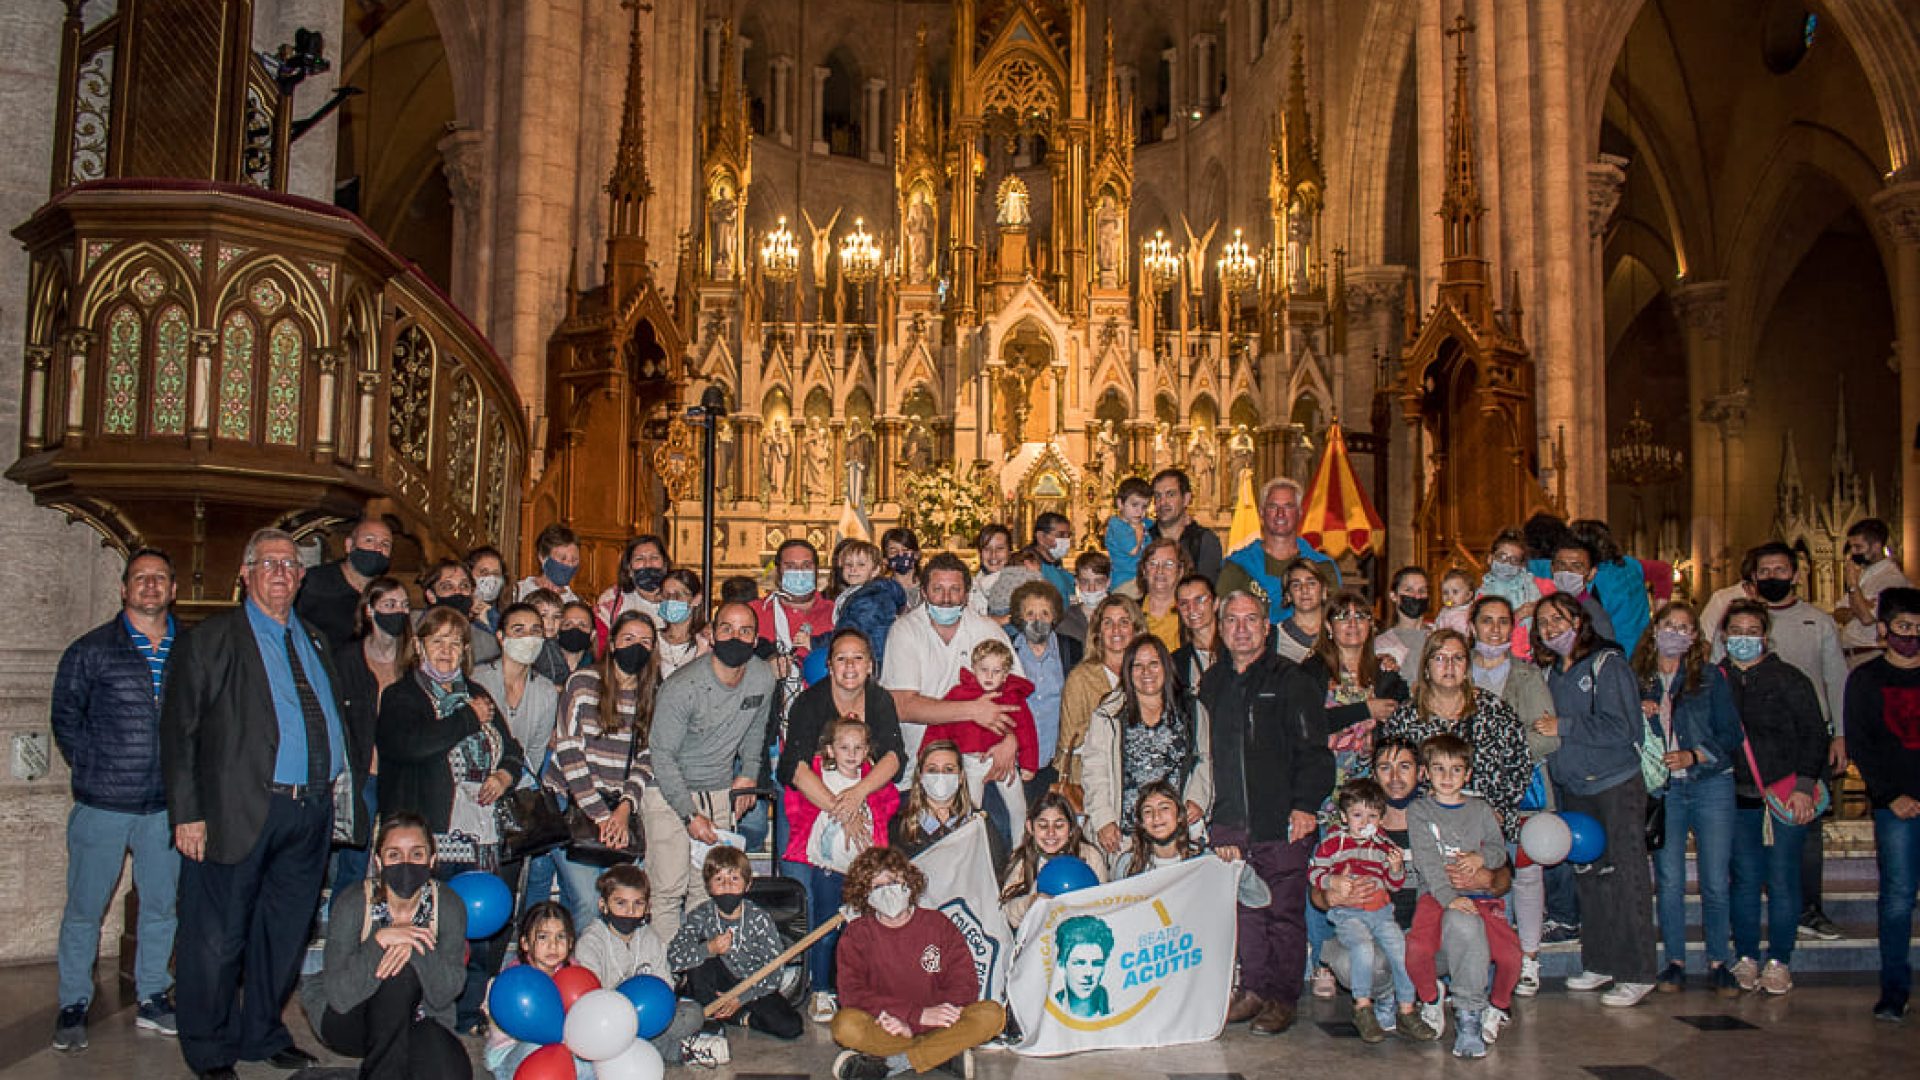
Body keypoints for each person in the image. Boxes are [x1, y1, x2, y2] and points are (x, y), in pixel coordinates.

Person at [163, 527, 359, 1078]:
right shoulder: (211, 639)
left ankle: (262, 1032)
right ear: (245, 574)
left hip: (309, 812)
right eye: (268, 563)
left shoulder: (315, 639)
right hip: (236, 810)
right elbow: (179, 733)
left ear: (301, 578)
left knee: (285, 932)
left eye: (290, 564)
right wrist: (187, 814)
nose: (280, 572)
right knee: (217, 938)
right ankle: (209, 1048)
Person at [51, 547, 182, 1050]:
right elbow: (66, 717)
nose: (150, 586)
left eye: (159, 578)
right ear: (124, 589)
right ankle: (72, 1003)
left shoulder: (190, 649)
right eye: (140, 578)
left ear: (173, 590)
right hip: (102, 803)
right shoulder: (91, 650)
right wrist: (93, 767)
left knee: (160, 908)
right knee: (85, 909)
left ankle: (152, 995)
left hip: (164, 808)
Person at [375, 605, 526, 1033]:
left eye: (455, 642)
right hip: (434, 833)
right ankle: (425, 1007)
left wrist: (503, 774)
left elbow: (512, 748)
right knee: (434, 924)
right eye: (437, 640)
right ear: (419, 645)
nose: (446, 650)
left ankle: (469, 1010)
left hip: (484, 831)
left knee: (483, 931)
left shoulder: (477, 692)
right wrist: (465, 719)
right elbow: (411, 745)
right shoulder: (402, 695)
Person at [1198, 590, 1333, 1035]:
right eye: (1232, 620)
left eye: (1250, 619)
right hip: (1230, 820)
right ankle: (1252, 989)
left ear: (1266, 625)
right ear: (1220, 628)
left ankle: (1281, 996)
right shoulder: (1212, 684)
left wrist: (1305, 805)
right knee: (1246, 911)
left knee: (1283, 912)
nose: (1241, 628)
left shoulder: (1292, 680)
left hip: (1281, 819)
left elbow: (1315, 751)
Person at [1703, 542, 1848, 939]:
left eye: (1780, 569)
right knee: (1745, 869)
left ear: (1795, 574)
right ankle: (1746, 944)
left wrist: (1841, 734)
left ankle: (1809, 911)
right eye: (1763, 570)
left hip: (1795, 761)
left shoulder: (1817, 624)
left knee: (1801, 849)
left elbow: (1835, 682)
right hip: (1739, 780)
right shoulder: (1719, 672)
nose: (1772, 577)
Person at [1534, 591, 1657, 1006]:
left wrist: (1563, 725)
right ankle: (1600, 961)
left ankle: (1637, 971)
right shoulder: (1552, 671)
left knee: (1626, 878)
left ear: (1578, 620)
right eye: (1543, 623)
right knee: (1589, 878)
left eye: (1558, 618)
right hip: (1575, 788)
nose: (1551, 627)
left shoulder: (1608, 663)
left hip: (1614, 784)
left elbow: (1624, 728)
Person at [303, 813, 471, 1080]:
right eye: (394, 855)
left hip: (420, 1014)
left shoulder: (449, 905)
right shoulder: (354, 902)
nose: (405, 864)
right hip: (348, 1015)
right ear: (379, 862)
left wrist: (415, 945)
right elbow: (339, 995)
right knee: (399, 977)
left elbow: (445, 994)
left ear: (431, 860)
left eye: (416, 855)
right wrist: (379, 942)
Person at [648, 601, 776, 940]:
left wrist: (748, 772)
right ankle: (668, 973)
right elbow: (661, 755)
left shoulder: (762, 676)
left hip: (718, 788)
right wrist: (689, 814)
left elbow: (756, 729)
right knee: (669, 888)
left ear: (755, 638)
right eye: (727, 629)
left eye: (745, 631)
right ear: (712, 634)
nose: (736, 637)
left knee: (708, 886)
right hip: (667, 788)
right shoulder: (683, 687)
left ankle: (698, 965)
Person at [1633, 601, 1742, 995]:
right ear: (1655, 629)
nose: (1675, 633)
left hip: (1709, 782)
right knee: (1669, 877)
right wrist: (1638, 712)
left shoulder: (1710, 678)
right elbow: (1622, 733)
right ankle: (1674, 961)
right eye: (1669, 625)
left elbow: (1732, 735)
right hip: (1665, 788)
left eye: (1684, 628)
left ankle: (1718, 961)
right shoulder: (1637, 678)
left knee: (1714, 878)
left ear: (1695, 636)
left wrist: (1696, 755)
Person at [1719, 599, 1828, 997]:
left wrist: (1804, 785)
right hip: (1734, 795)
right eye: (1736, 632)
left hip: (1783, 797)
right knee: (1744, 880)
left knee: (1783, 880)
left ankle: (1780, 959)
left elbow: (1815, 734)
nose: (1743, 639)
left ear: (1765, 636)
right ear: (1724, 636)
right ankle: (1746, 955)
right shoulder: (1715, 680)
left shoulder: (1789, 679)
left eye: (1752, 632)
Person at [829, 847, 1005, 1080]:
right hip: (887, 1026)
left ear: (908, 882)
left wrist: (919, 1024)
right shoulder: (856, 934)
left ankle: (893, 1064)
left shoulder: (937, 924)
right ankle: (942, 1056)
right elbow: (853, 994)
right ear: (865, 895)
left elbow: (965, 983)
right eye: (877, 887)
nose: (887, 891)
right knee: (844, 1025)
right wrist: (913, 1016)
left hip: (939, 1025)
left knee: (993, 1014)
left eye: (892, 882)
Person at [1464, 594, 1558, 994]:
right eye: (1487, 621)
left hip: (1523, 788)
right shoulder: (1455, 669)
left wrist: (1500, 759)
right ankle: (1478, 957)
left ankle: (1530, 958)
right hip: (1465, 791)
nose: (1495, 630)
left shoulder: (1527, 675)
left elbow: (1547, 737)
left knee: (1527, 873)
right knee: (1474, 873)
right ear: (1472, 626)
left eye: (1503, 622)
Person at [1404, 734, 1520, 1059]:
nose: (1447, 777)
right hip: (1437, 895)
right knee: (1416, 951)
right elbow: (1427, 861)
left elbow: (1499, 849)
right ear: (1425, 772)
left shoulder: (1480, 809)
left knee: (1511, 957)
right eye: (1439, 769)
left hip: (1481, 897)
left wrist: (1482, 860)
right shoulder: (1420, 811)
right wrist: (1447, 897)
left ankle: (1491, 1008)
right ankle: (1431, 998)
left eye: (1456, 770)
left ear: (1468, 774)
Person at [783, 714, 901, 1021]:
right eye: (844, 746)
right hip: (829, 871)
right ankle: (821, 990)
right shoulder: (821, 779)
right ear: (830, 750)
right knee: (825, 931)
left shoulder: (871, 781)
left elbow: (890, 806)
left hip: (864, 876)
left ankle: (856, 991)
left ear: (866, 751)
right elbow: (795, 802)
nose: (851, 753)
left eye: (858, 747)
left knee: (862, 933)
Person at [1844, 587, 1920, 1022]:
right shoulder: (1867, 679)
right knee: (1896, 898)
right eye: (1904, 628)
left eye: (1919, 629)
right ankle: (1894, 989)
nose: (1912, 636)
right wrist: (1890, 794)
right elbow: (1862, 744)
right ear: (1885, 630)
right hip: (1896, 804)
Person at [881, 552, 1027, 776]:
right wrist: (973, 710)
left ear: (967, 595)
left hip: (984, 758)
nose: (946, 598)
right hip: (919, 765)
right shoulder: (905, 631)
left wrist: (1011, 739)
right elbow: (902, 706)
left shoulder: (988, 630)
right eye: (938, 589)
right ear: (923, 592)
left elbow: (1015, 694)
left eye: (955, 590)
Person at [1380, 631, 1533, 842]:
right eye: (1440, 658)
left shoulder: (1495, 711)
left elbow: (1520, 767)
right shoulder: (1405, 717)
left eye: (1458, 658)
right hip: (1428, 828)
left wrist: (1497, 812)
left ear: (1467, 667)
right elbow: (1392, 774)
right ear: (1426, 667)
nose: (1449, 666)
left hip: (1489, 826)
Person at [468, 603, 565, 916]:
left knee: (506, 887)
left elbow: (535, 752)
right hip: (472, 792)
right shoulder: (477, 678)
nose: (528, 638)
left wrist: (510, 782)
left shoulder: (546, 691)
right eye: (518, 630)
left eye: (536, 631)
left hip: (514, 791)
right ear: (500, 636)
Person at [1082, 635, 1211, 856]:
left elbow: (1205, 758)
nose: (1146, 672)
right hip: (1125, 836)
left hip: (1178, 831)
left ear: (1166, 666)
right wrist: (1103, 819)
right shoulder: (1109, 714)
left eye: (1153, 664)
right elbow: (1095, 769)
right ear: (1127, 671)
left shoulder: (1191, 709)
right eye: (1137, 666)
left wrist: (1198, 799)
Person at [570, 866, 714, 1065]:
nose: (629, 912)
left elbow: (665, 985)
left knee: (693, 1012)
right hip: (609, 1021)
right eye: (620, 903)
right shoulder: (591, 942)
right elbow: (591, 996)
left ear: (647, 907)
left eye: (638, 904)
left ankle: (632, 1052)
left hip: (647, 1019)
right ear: (603, 905)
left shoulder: (650, 937)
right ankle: (674, 1050)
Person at [1308, 779, 1416, 1043]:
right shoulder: (1334, 844)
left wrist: (1394, 868)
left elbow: (1394, 884)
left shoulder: (1383, 846)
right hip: (1349, 913)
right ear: (1344, 817)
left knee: (1400, 950)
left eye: (1372, 816)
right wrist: (1333, 882)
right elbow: (1315, 872)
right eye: (1357, 815)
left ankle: (1407, 1008)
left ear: (1380, 818)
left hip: (1380, 912)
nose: (1364, 822)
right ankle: (1363, 1005)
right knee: (1362, 947)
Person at [332, 576, 417, 890]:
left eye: (405, 605)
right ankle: (346, 927)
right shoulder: (346, 659)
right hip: (362, 773)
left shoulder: (414, 660)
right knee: (355, 862)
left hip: (401, 774)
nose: (399, 611)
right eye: (390, 605)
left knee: (402, 857)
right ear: (370, 610)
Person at [667, 847, 804, 1040]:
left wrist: (741, 998)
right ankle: (710, 1015)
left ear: (747, 885)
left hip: (753, 987)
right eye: (719, 880)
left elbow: (774, 971)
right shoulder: (701, 915)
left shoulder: (759, 918)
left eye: (734, 879)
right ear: (708, 886)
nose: (727, 886)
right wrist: (708, 949)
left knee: (790, 1026)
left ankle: (740, 1018)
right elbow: (674, 957)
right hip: (717, 984)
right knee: (700, 958)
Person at [927, 637, 1036, 840]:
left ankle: (1020, 852)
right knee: (968, 814)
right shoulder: (960, 694)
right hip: (971, 763)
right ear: (974, 668)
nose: (989, 676)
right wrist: (927, 756)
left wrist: (1029, 764)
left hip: (1006, 763)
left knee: (1019, 808)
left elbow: (1026, 729)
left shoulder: (1012, 695)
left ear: (1005, 676)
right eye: (983, 669)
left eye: (996, 672)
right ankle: (972, 852)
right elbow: (940, 726)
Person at [484, 903, 599, 1078]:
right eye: (543, 937)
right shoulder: (514, 980)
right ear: (525, 943)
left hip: (565, 1050)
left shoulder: (575, 975)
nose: (553, 946)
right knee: (538, 1048)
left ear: (570, 943)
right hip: (512, 1053)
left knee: (590, 1067)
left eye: (561, 937)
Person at [1050, 595, 1146, 802]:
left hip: (1141, 783)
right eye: (1108, 623)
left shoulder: (1148, 674)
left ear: (1136, 629)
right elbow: (1069, 743)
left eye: (1124, 622)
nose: (1116, 630)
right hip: (1091, 786)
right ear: (1098, 632)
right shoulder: (1081, 678)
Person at [1109, 781, 1272, 902]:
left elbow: (1260, 899)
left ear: (1180, 817)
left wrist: (1238, 868)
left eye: (1164, 808)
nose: (1156, 816)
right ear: (1141, 824)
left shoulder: (1205, 860)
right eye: (1147, 811)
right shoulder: (1128, 865)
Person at [1217, 477, 1341, 624]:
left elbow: (1335, 621)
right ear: (1261, 513)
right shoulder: (1238, 567)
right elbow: (1223, 622)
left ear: (1300, 513)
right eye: (1273, 506)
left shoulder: (1322, 567)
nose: (1280, 513)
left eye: (1288, 506)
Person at [1008, 579, 1082, 808]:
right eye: (1030, 613)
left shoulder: (1071, 650)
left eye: (1045, 613)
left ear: (1054, 617)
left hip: (1057, 761)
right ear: (1020, 617)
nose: (1037, 620)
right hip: (1017, 760)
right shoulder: (1007, 650)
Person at [888, 740, 1009, 870]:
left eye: (949, 769)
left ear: (961, 776)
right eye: (932, 769)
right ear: (920, 777)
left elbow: (996, 873)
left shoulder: (979, 824)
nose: (941, 775)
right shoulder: (901, 826)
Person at [999, 793, 1109, 929]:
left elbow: (1105, 904)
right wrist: (1031, 902)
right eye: (1043, 826)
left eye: (1059, 826)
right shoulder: (1023, 860)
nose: (1051, 833)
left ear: (1071, 828)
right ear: (1030, 827)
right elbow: (1006, 913)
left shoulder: (1090, 856)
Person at [298, 517, 396, 653]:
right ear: (349, 545)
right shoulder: (313, 583)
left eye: (385, 544)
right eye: (369, 540)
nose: (378, 549)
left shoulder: (387, 594)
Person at [1838, 518, 1910, 666]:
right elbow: (1838, 613)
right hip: (1851, 654)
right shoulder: (1866, 574)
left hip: (1870, 653)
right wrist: (1858, 607)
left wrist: (1852, 584)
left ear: (1876, 546)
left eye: (1858, 547)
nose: (1853, 553)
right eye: (1851, 547)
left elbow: (1866, 618)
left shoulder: (1890, 579)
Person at [834, 539, 908, 664]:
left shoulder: (872, 598)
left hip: (872, 660)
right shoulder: (857, 592)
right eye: (848, 564)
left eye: (861, 565)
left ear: (875, 570)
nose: (853, 569)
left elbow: (849, 632)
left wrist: (815, 642)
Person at [593, 534, 671, 649]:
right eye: (639, 559)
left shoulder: (678, 598)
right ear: (629, 568)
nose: (648, 564)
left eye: (654, 558)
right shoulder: (612, 600)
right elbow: (602, 646)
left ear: (664, 564)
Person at [1149, 467, 1225, 584]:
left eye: (1170, 495)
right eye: (1158, 496)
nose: (1163, 502)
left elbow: (1207, 589)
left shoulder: (1205, 540)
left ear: (1186, 499)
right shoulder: (1145, 538)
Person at [1478, 528, 1545, 659]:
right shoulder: (1482, 594)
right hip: (1494, 657)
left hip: (1529, 656)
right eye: (1502, 557)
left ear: (1521, 565)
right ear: (1490, 558)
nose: (1507, 564)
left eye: (1514, 560)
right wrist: (1516, 616)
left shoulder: (1533, 588)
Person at [420, 558, 497, 665]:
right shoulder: (416, 630)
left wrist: (489, 618)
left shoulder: (484, 640)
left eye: (464, 586)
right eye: (447, 587)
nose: (458, 591)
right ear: (431, 596)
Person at [1547, 537, 1619, 645]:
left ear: (1591, 574)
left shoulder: (1595, 618)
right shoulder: (1543, 606)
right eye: (1561, 565)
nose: (1567, 571)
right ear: (1552, 569)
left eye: (1576, 566)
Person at [1127, 537, 1187, 652]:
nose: (1160, 571)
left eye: (1168, 564)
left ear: (1180, 571)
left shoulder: (1189, 612)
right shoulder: (1130, 612)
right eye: (1153, 564)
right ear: (1144, 570)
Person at [1052, 915, 1116, 1019]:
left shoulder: (1117, 1008)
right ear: (1062, 965)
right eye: (1079, 963)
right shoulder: (1045, 1009)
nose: (1088, 973)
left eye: (1096, 964)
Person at [1274, 558, 1333, 663]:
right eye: (1296, 585)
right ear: (1288, 596)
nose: (1304, 590)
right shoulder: (1275, 637)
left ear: (1324, 590)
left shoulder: (1340, 631)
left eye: (1311, 583)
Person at [1102, 476, 1155, 592]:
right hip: (1124, 582)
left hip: (1140, 579)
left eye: (1144, 507)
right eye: (1135, 505)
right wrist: (1140, 530)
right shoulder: (1116, 525)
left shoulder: (1142, 522)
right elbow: (1133, 550)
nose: (1140, 511)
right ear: (1120, 503)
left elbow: (1156, 527)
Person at [655, 568, 710, 677]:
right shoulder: (653, 639)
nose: (671, 601)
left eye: (678, 596)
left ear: (696, 599)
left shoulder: (706, 640)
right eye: (666, 595)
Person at [1171, 573, 1219, 691]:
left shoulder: (1238, 649)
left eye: (1199, 600)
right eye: (1184, 603)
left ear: (1216, 603)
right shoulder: (1176, 661)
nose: (1191, 609)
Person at [1378, 566, 1431, 669]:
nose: (1417, 596)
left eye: (1422, 590)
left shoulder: (1439, 635)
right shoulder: (1382, 644)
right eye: (1409, 590)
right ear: (1394, 596)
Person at [1056, 551, 1112, 645]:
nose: (1092, 589)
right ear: (1077, 582)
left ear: (1108, 583)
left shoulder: (1119, 616)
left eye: (1098, 582)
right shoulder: (1065, 621)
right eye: (1085, 582)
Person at [517, 523, 582, 603]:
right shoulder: (518, 592)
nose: (569, 565)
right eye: (562, 558)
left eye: (574, 560)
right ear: (543, 557)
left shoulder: (575, 603)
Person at [1032, 511, 1077, 606]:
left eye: (1068, 536)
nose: (1066, 541)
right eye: (1060, 535)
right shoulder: (1029, 565)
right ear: (1041, 537)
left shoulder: (1057, 565)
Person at [970, 524, 1015, 616]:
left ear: (1009, 552)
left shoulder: (1021, 584)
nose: (993, 555)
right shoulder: (970, 586)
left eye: (1000, 549)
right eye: (987, 549)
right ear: (980, 553)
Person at [465, 546, 509, 637]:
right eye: (484, 573)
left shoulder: (506, 618)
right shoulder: (457, 611)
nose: (491, 578)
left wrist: (486, 622)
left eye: (496, 574)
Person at [882, 527, 924, 610]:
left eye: (905, 550)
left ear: (916, 554)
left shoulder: (927, 586)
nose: (900, 554)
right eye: (893, 551)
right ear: (885, 559)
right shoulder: (883, 589)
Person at [1433, 568, 1476, 636]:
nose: (1449, 597)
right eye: (1445, 592)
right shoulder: (1444, 610)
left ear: (1468, 595)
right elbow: (1437, 625)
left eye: (1455, 592)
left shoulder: (1466, 615)